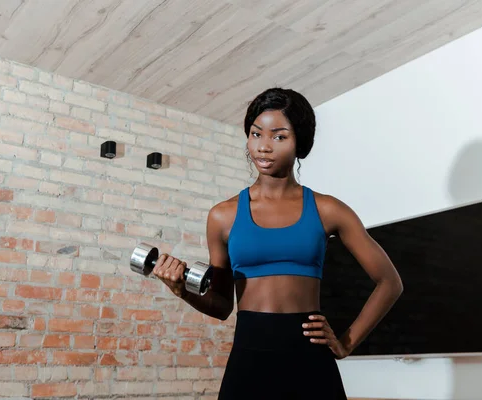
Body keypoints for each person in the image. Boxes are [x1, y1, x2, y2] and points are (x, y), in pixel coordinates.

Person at [152, 87, 403, 399]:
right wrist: (180, 290)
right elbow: (221, 305)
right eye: (256, 134)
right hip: (249, 357)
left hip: (310, 357)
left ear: (300, 143)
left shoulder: (328, 210)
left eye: (279, 136)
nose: (264, 147)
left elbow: (390, 282)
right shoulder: (223, 216)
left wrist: (347, 343)